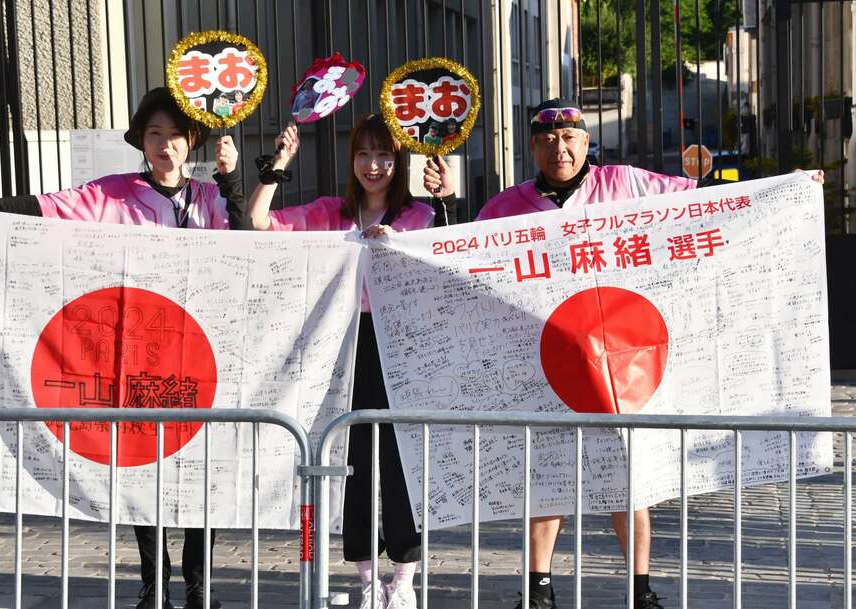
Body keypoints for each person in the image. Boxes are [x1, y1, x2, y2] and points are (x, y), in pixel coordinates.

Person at [425, 98, 826, 609]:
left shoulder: (626, 184)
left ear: (586, 141)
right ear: (532, 146)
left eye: (569, 137)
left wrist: (784, 187)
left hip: (622, 359)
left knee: (629, 477)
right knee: (549, 474)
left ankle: (641, 591)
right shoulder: (509, 205)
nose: (559, 148)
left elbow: (702, 200)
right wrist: (442, 205)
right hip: (547, 361)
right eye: (547, 139)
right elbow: (456, 251)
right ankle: (539, 589)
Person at [0, 86, 245, 609]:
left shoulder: (210, 200)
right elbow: (37, 209)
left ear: (193, 142)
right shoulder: (112, 195)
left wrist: (232, 180)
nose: (165, 146)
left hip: (202, 356)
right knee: (147, 467)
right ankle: (153, 581)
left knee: (202, 467)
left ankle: (200, 583)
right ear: (141, 140)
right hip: (138, 358)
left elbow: (252, 237)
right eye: (154, 135)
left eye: (175, 136)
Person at [242, 114, 456, 609]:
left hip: (403, 350)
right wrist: (277, 167)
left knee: (403, 461)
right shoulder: (329, 213)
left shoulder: (419, 218)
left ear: (399, 161)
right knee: (351, 462)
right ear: (351, 159)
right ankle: (365, 576)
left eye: (385, 155)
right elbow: (257, 223)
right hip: (343, 348)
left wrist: (438, 206)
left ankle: (404, 577)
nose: (374, 165)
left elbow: (449, 256)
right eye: (364, 154)